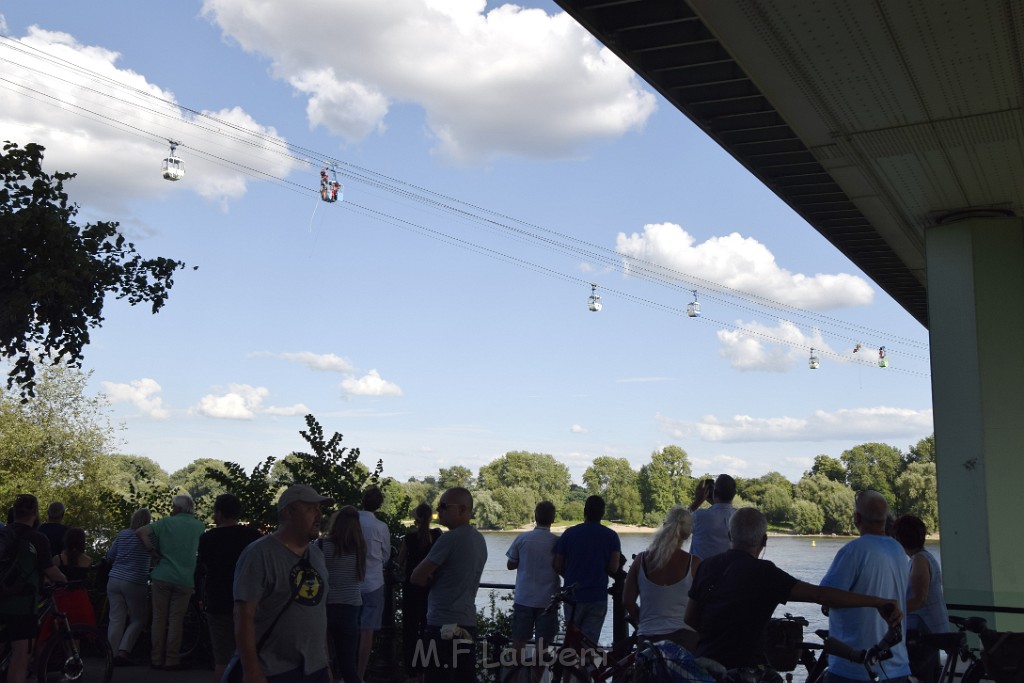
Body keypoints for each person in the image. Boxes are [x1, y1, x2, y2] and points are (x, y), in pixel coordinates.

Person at [685, 507, 903, 670]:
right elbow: (821, 595)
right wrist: (877, 601)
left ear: (730, 536)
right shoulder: (765, 573)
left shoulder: (706, 566)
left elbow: (690, 618)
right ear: (765, 540)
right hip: (745, 669)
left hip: (703, 666)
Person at [233, 484, 333, 683]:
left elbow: (318, 611)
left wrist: (325, 663)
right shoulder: (259, 554)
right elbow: (244, 614)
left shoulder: (316, 555)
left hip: (315, 669)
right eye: (310, 509)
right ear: (288, 512)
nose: (318, 515)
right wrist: (251, 670)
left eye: (319, 509)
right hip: (274, 670)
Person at [820, 490, 910, 683]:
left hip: (854, 668)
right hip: (898, 665)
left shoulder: (853, 551)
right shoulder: (899, 550)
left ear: (857, 518)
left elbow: (825, 596)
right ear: (885, 518)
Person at [410, 487, 487, 683]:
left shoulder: (449, 539)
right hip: (467, 623)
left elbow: (417, 577)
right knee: (464, 677)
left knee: (438, 677)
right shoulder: (479, 540)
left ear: (462, 510)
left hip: (442, 623)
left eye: (444, 506)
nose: (439, 510)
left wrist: (432, 578)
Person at [0, 494, 67, 683]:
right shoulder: (37, 538)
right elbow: (50, 570)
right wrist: (63, 579)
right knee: (20, 655)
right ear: (36, 513)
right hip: (22, 603)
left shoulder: (3, 533)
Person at [195, 494, 261, 682]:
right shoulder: (253, 536)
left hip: (218, 599)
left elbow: (203, 567)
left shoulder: (208, 538)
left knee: (222, 656)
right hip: (248, 600)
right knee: (250, 652)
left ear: (220, 513)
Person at [136, 494, 206, 670]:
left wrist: (152, 551)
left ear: (178, 508)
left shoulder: (166, 522)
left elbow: (141, 532)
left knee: (159, 619)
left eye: (173, 506)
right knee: (176, 620)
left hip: (162, 575)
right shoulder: (199, 526)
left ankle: (156, 658)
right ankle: (172, 659)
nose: (172, 509)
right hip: (185, 579)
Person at [623, 505, 700, 651]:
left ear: (665, 526)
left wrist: (644, 621)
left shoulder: (641, 560)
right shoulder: (694, 563)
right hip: (684, 639)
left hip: (648, 638)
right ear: (688, 533)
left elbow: (627, 601)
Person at [553, 495, 621, 645]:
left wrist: (570, 575)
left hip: (573, 597)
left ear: (585, 511)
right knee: (589, 644)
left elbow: (557, 565)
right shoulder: (611, 536)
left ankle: (568, 668)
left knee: (571, 642)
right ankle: (585, 667)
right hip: (597, 596)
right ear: (603, 513)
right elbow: (614, 567)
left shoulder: (569, 534)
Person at [890, 514, 947, 683]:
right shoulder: (924, 557)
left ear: (899, 538)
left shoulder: (919, 560)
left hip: (923, 632)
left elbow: (918, 600)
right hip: (929, 630)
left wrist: (893, 610)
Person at [506, 501, 560, 655]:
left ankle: (517, 677)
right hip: (547, 600)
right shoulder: (556, 542)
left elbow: (510, 564)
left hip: (524, 597)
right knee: (542, 648)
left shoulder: (522, 538)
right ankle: (536, 678)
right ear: (553, 518)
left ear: (535, 516)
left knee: (518, 644)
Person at [322, 505, 366, 683]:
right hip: (351, 607)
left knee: (322, 662)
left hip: (326, 607)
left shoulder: (323, 546)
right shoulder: (360, 547)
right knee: (348, 665)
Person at [399, 502, 442, 683]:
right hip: (430, 588)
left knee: (410, 629)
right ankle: (428, 668)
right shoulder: (437, 535)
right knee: (428, 628)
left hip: (411, 588)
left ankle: (412, 670)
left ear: (416, 518)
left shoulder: (409, 539)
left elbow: (400, 562)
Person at [106, 508, 152, 666]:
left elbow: (110, 555)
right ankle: (124, 652)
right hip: (135, 581)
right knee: (139, 618)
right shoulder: (149, 537)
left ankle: (110, 653)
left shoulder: (123, 534)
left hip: (114, 579)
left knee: (116, 618)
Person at [357, 485, 391, 680]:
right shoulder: (380, 527)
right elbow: (386, 556)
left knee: (348, 629)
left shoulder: (351, 524)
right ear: (379, 505)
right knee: (367, 631)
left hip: (350, 584)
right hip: (374, 583)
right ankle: (359, 675)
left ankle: (344, 670)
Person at [688, 474, 737, 560]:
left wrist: (697, 501)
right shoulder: (740, 517)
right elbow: (723, 511)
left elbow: (671, 527)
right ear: (734, 494)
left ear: (714, 492)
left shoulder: (699, 516)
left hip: (701, 572)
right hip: (729, 572)